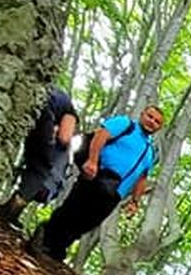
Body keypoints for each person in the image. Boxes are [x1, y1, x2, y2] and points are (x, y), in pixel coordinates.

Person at [32, 105, 163, 262]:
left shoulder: (150, 151)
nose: (152, 122)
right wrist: (92, 161)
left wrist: (135, 201)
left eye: (157, 121)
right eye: (150, 116)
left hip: (115, 193)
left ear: (159, 127)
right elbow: (101, 136)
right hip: (98, 174)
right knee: (74, 209)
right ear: (142, 114)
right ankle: (44, 237)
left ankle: (57, 247)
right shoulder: (125, 124)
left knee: (89, 221)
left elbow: (142, 177)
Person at [0, 85, 77, 227]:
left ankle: (8, 208)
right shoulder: (70, 111)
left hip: (28, 107)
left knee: (33, 162)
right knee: (41, 168)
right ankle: (10, 212)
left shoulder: (50, 90)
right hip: (45, 117)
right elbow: (64, 137)